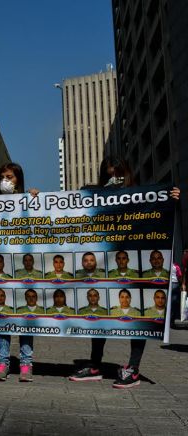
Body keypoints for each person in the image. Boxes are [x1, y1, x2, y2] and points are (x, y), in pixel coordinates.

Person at [70, 155, 181, 388]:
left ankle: (133, 367)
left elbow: (159, 217)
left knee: (138, 314)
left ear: (127, 173)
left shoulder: (142, 195)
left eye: (117, 173)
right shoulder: (96, 195)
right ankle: (95, 364)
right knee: (100, 314)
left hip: (133, 265)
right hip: (104, 266)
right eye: (109, 174)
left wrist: (171, 199)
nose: (113, 178)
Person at [0, 163, 39, 383]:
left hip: (22, 271)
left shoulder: (29, 200)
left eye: (9, 177)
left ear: (18, 180)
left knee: (24, 317)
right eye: (2, 176)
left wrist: (36, 197)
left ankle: (26, 363)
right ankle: (2, 361)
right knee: (2, 317)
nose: (5, 181)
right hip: (1, 271)